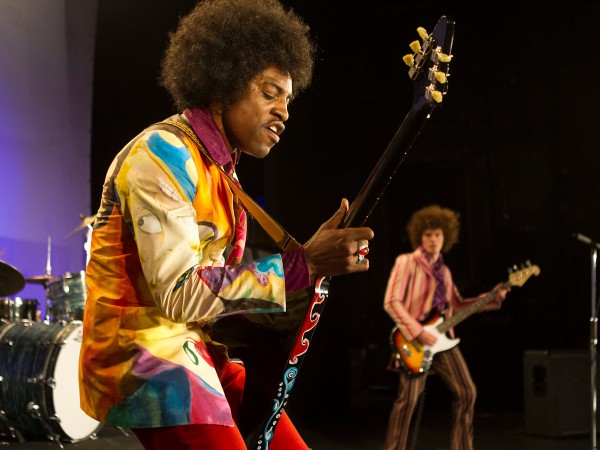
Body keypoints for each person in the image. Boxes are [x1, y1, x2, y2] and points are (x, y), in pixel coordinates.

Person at [78, 1, 374, 449]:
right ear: (224, 84)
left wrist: (306, 266)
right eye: (270, 93)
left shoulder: (219, 170)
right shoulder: (162, 154)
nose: (284, 112)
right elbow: (181, 295)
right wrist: (303, 266)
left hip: (194, 349)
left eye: (288, 99)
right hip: (141, 355)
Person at [383, 205, 507, 450]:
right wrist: (419, 332)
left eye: (438, 234)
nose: (433, 239)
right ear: (419, 237)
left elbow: (457, 306)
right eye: (428, 234)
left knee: (467, 392)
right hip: (413, 341)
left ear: (445, 237)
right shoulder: (406, 262)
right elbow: (391, 302)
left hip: (443, 339)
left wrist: (493, 298)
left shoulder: (445, 272)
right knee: (408, 401)